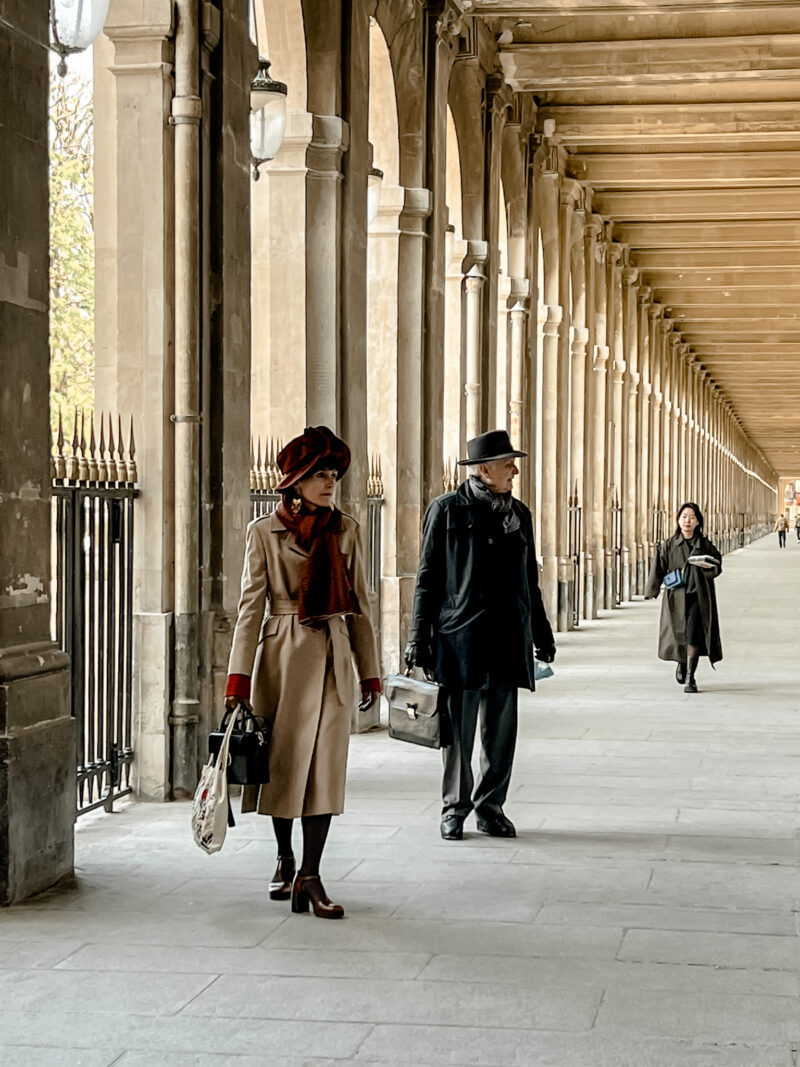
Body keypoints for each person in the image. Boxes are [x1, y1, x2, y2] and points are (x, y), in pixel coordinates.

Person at [225, 426, 380, 919]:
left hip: (333, 653)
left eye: (333, 473)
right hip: (282, 658)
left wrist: (370, 671)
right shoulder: (262, 532)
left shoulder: (348, 530)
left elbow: (361, 605)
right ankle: (285, 857)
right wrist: (238, 679)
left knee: (326, 769)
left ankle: (310, 875)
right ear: (295, 481)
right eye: (319, 474)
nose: (330, 482)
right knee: (285, 765)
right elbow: (251, 608)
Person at [405, 429, 555, 841]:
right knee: (458, 733)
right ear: (483, 469)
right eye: (508, 463)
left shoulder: (518, 515)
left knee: (502, 732)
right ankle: (454, 808)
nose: (514, 469)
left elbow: (530, 580)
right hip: (460, 639)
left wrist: (541, 632)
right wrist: (419, 637)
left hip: (509, 638)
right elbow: (427, 579)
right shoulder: (447, 510)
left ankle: (491, 808)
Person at [645, 502, 722, 694]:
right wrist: (651, 590)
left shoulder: (704, 544)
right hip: (676, 598)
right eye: (684, 517)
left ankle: (690, 677)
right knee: (679, 634)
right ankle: (682, 663)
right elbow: (658, 568)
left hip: (698, 597)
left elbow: (717, 562)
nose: (687, 521)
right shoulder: (669, 545)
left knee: (693, 636)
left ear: (698, 522)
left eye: (692, 517)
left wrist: (709, 567)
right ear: (678, 520)